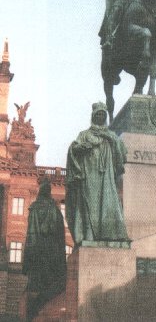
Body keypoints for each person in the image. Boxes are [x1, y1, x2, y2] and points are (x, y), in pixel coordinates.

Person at [66, 102, 129, 245]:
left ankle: (110, 235)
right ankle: (89, 236)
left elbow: (122, 154)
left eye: (103, 114)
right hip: (89, 174)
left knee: (108, 203)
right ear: (93, 116)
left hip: (106, 177)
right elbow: (73, 150)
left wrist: (113, 140)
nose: (100, 116)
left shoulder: (111, 135)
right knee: (90, 203)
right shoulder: (84, 135)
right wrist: (80, 148)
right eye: (98, 114)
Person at [22, 179, 66, 319]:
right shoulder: (55, 210)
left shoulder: (34, 208)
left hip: (37, 252)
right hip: (51, 254)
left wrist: (27, 256)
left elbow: (31, 233)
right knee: (48, 285)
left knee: (35, 286)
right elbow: (60, 235)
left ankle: (34, 312)